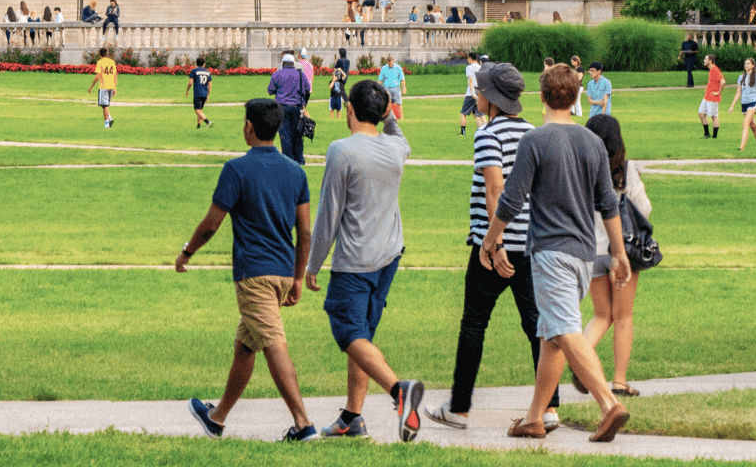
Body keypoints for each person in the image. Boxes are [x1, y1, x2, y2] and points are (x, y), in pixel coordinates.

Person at [484, 63, 631, 443]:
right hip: (584, 254)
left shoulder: (535, 141)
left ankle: (608, 403)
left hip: (550, 252)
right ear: (578, 96)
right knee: (551, 335)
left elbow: (511, 199)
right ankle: (535, 417)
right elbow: (608, 204)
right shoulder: (592, 142)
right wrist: (618, 253)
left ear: (542, 96)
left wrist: (491, 239)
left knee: (564, 328)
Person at [424, 61, 561, 432]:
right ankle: (549, 406)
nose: (476, 94)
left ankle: (460, 406)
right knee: (537, 324)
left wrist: (493, 242)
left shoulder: (487, 135)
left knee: (474, 323)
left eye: (480, 90)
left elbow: (495, 189)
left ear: (493, 98)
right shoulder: (535, 133)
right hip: (531, 245)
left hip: (493, 245)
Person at [181, 98, 318, 443]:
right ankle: (217, 418)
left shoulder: (237, 170)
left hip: (254, 274)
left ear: (250, 127)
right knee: (246, 344)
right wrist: (298, 277)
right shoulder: (295, 171)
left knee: (272, 342)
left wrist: (187, 253)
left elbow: (212, 224)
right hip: (283, 273)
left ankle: (303, 425)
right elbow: (305, 232)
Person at [305, 79, 425, 442]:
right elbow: (399, 136)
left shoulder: (342, 150)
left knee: (349, 331)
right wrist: (387, 112)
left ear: (350, 110)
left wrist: (312, 265)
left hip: (355, 260)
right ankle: (352, 416)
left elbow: (329, 214)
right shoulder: (395, 147)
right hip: (388, 256)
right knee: (364, 335)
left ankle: (398, 391)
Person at [580, 114, 649, 400]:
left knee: (600, 315)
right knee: (623, 317)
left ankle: (579, 359)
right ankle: (619, 381)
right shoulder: (625, 170)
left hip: (591, 251)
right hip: (623, 251)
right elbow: (643, 208)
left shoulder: (580, 170)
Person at [269, 52, 311, 164]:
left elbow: (270, 90)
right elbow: (307, 89)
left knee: (285, 134)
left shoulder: (277, 74)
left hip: (282, 107)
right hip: (297, 107)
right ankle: (299, 158)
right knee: (298, 132)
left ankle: (288, 158)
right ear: (293, 63)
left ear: (283, 63)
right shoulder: (301, 74)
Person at [89, 48, 119, 128]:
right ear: (106, 54)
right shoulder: (112, 62)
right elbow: (115, 75)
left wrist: (91, 86)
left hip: (103, 85)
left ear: (100, 54)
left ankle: (107, 123)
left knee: (105, 105)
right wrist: (114, 87)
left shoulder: (100, 62)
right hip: (110, 85)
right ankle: (109, 117)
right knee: (104, 104)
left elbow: (98, 75)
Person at [698, 54, 724, 139]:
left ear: (710, 61)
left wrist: (718, 92)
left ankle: (714, 137)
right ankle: (707, 134)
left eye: (706, 59)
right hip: (707, 96)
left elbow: (723, 82)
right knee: (701, 113)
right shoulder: (711, 70)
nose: (704, 60)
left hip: (713, 97)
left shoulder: (715, 70)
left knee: (714, 116)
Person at [458, 54, 484, 136]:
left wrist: (472, 93)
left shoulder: (469, 68)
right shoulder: (481, 67)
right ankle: (481, 132)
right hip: (479, 92)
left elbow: (470, 80)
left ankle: (463, 132)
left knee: (463, 113)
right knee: (477, 114)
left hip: (471, 93)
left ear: (470, 59)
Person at [186, 56, 215, 130]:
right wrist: (208, 94)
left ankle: (208, 122)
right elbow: (210, 85)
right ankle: (198, 126)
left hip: (197, 93)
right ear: (204, 64)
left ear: (196, 63)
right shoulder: (207, 72)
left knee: (197, 110)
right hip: (205, 93)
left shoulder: (194, 71)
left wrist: (187, 90)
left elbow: (190, 82)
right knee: (200, 110)